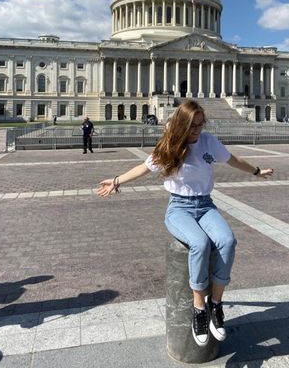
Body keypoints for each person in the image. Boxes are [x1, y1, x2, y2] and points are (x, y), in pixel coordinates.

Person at [97, 100, 273, 346]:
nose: (197, 130)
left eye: (200, 125)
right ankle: (199, 310)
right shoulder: (170, 145)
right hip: (178, 208)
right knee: (199, 244)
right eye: (193, 126)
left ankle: (216, 305)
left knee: (227, 240)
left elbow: (232, 159)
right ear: (182, 124)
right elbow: (144, 168)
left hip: (205, 205)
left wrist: (256, 171)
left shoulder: (209, 142)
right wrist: (116, 181)